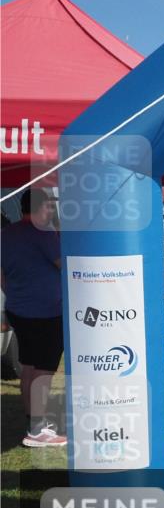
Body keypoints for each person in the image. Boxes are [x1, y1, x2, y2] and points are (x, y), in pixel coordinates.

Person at [0, 189, 67, 447]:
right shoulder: (43, 233)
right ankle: (37, 431)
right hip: (47, 312)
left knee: (28, 367)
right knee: (43, 371)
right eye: (50, 206)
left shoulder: (6, 235)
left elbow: (2, 275)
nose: (52, 211)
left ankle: (34, 423)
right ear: (42, 207)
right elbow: (64, 265)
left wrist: (15, 294)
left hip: (19, 310)